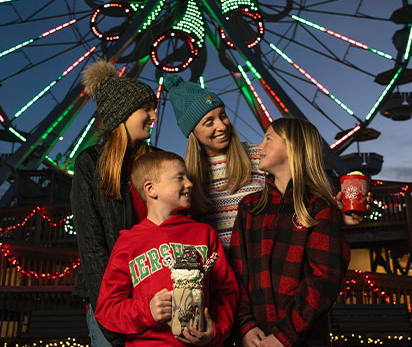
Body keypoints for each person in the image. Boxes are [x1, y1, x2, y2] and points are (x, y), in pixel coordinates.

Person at [163, 74, 370, 249]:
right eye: (209, 122)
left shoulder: (260, 156)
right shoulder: (187, 175)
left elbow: (296, 198)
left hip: (264, 266)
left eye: (223, 116)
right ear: (192, 133)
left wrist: (335, 216)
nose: (222, 126)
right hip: (220, 276)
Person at [95, 151, 238, 346]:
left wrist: (216, 332)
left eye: (187, 177)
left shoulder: (205, 234)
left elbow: (227, 291)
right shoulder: (128, 242)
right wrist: (148, 310)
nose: (189, 183)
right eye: (180, 178)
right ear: (151, 189)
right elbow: (107, 309)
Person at [230, 118, 350, 347]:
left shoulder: (319, 206)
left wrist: (284, 336)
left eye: (268, 138)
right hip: (255, 338)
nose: (259, 146)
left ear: (292, 147)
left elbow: (323, 280)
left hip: (303, 339)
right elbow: (237, 273)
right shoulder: (250, 207)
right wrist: (245, 325)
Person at [70, 60, 158, 347]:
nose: (154, 116)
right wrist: (109, 310)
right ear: (123, 112)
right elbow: (91, 245)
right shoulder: (89, 164)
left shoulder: (160, 161)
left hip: (156, 297)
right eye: (146, 109)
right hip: (110, 300)